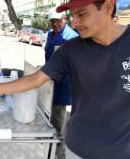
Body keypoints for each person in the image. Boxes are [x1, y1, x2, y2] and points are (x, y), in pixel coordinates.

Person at [0, 0, 130, 159]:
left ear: (108, 7)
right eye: (72, 16)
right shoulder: (71, 50)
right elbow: (35, 80)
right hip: (78, 149)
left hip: (124, 152)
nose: (75, 22)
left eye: (82, 14)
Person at [45, 8, 78, 158]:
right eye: (52, 21)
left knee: (59, 124)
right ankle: (47, 151)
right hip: (48, 84)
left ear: (65, 19)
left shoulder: (71, 37)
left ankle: (58, 155)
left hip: (63, 88)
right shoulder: (50, 34)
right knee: (48, 120)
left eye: (58, 20)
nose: (55, 24)